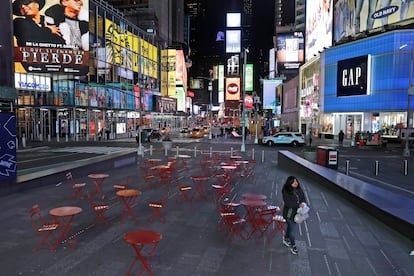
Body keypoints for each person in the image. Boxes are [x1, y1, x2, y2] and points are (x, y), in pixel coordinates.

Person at [282, 176, 307, 255]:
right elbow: (288, 203)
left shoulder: (299, 189)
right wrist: (298, 205)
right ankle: (293, 246)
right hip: (289, 214)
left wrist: (303, 203)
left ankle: (286, 238)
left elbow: (303, 197)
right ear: (289, 184)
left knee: (290, 227)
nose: (296, 183)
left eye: (296, 181)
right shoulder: (285, 191)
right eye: (293, 182)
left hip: (297, 214)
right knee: (292, 231)